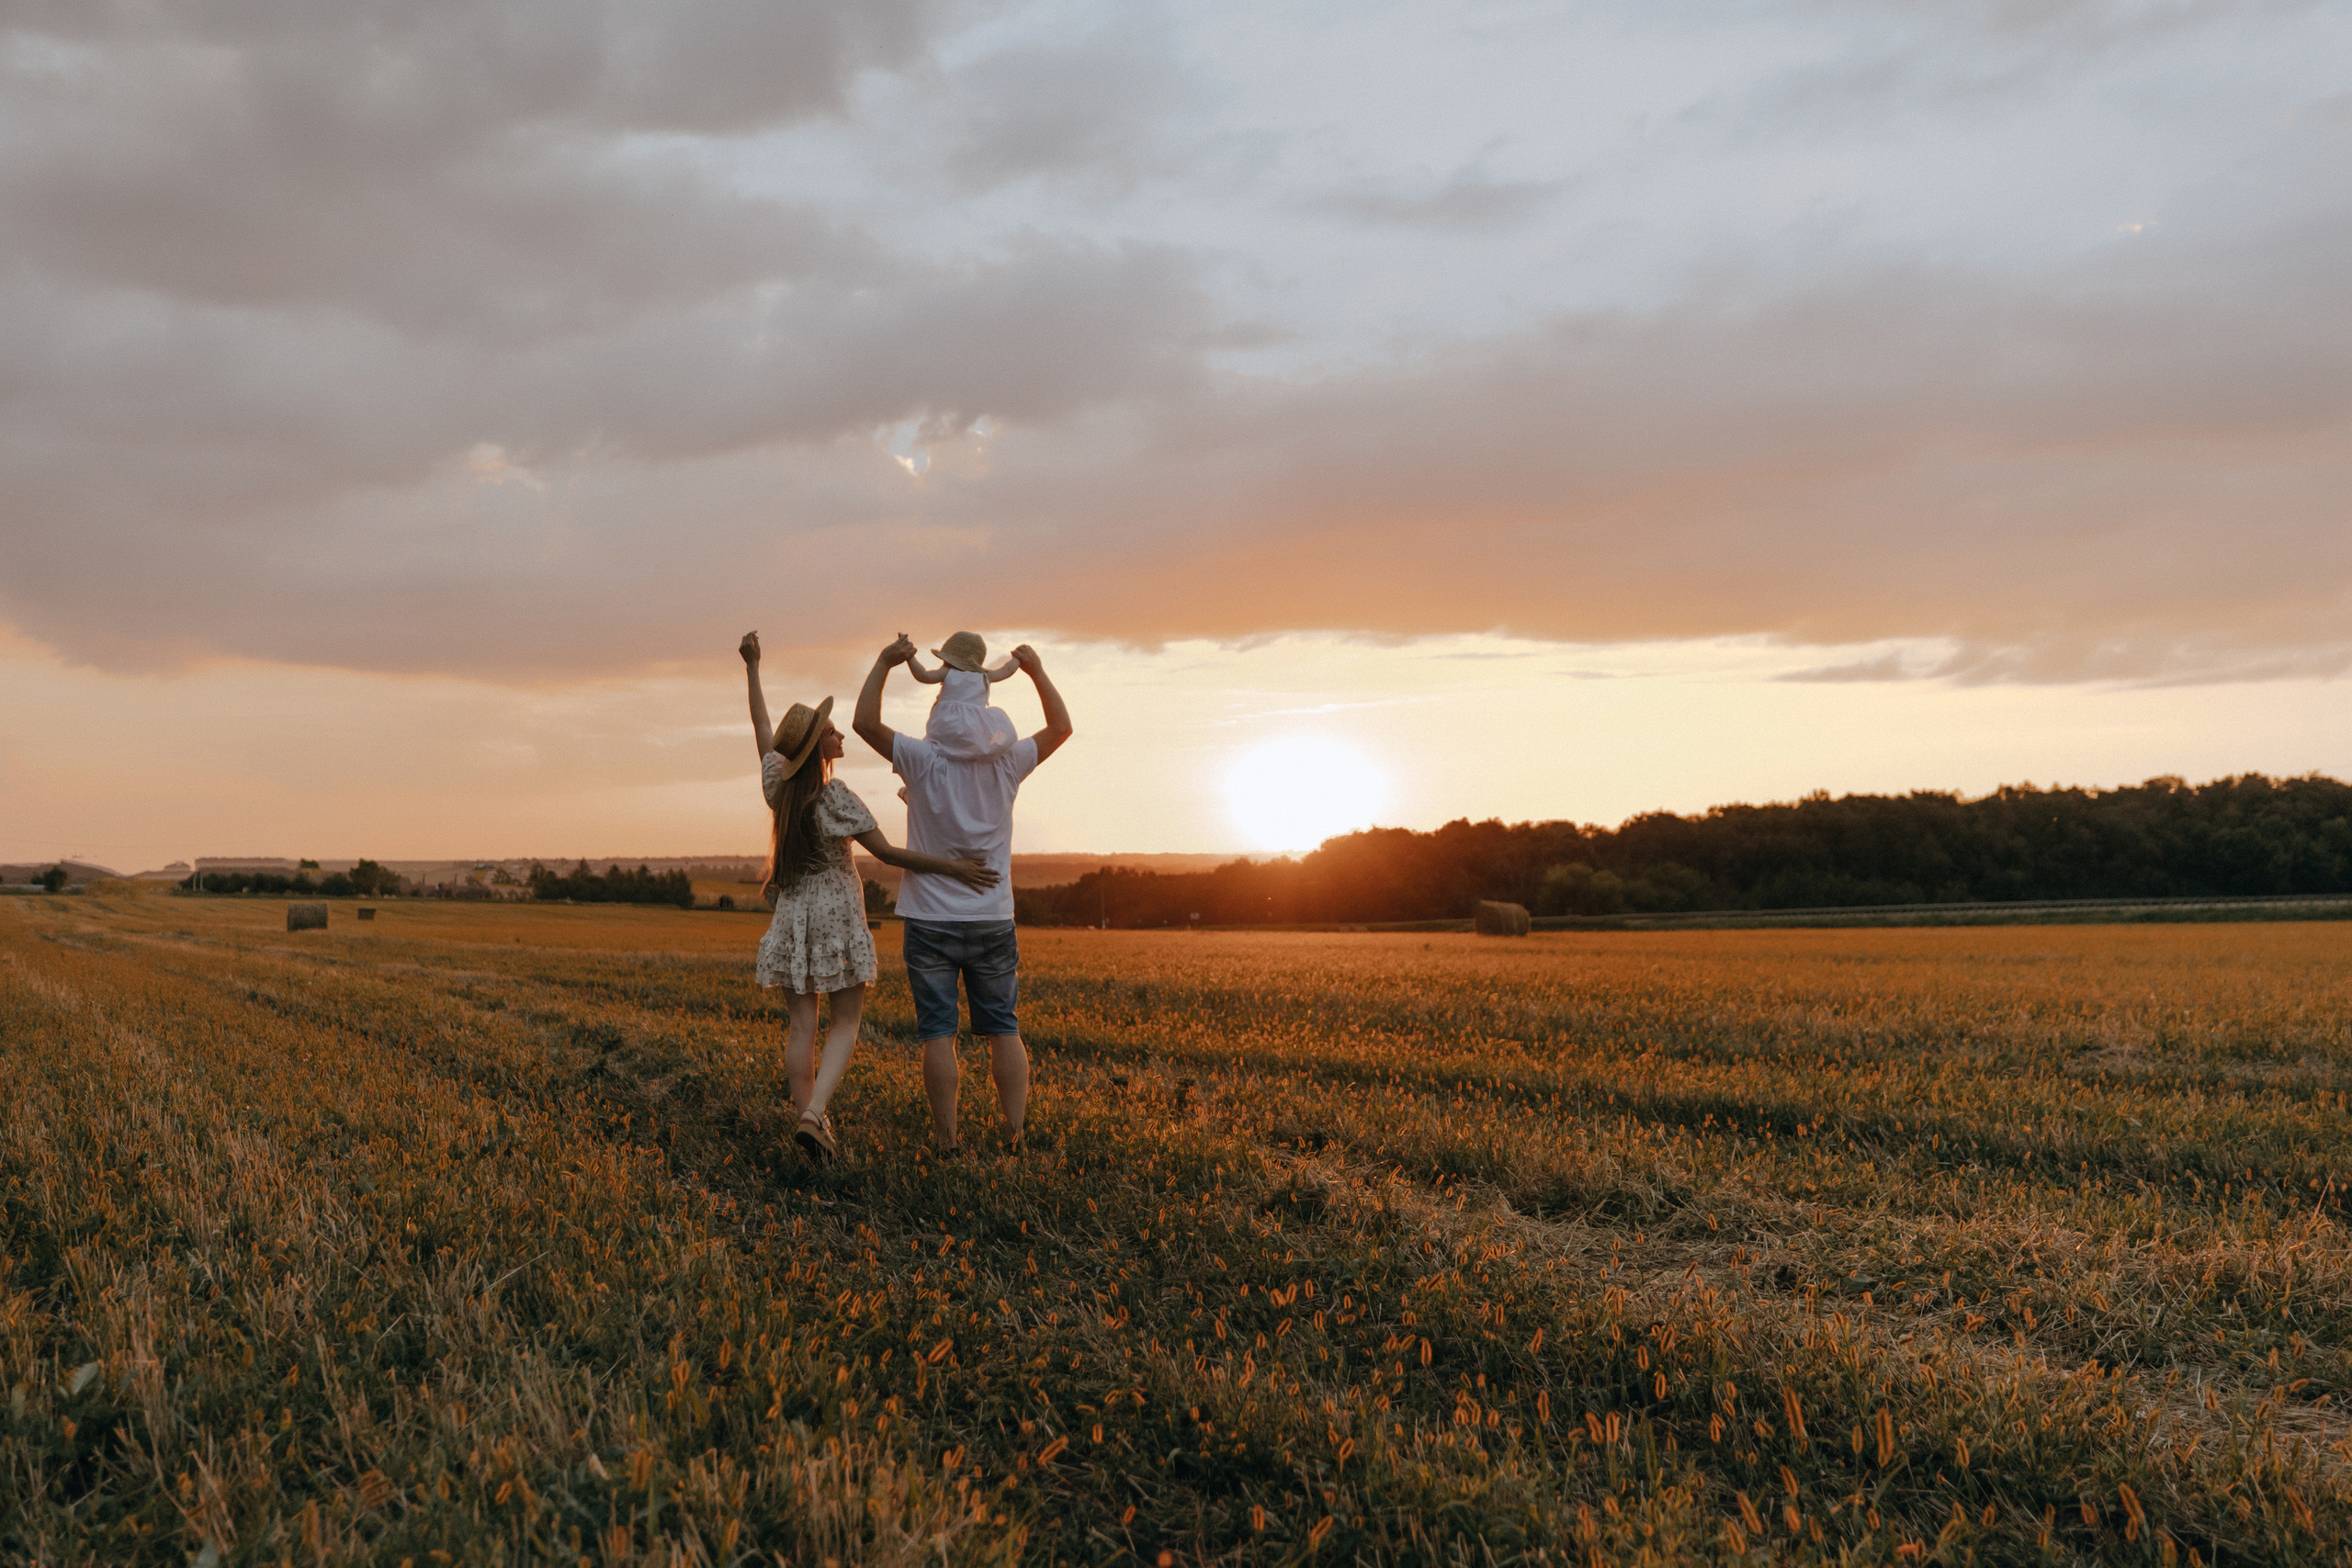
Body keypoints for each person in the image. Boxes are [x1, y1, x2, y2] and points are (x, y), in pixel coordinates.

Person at [740, 631, 998, 1163]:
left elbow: (763, 729)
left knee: (801, 1026)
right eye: (833, 733)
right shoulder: (834, 797)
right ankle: (814, 1117)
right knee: (847, 1022)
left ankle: (812, 1123)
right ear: (818, 749)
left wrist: (753, 668)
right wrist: (954, 867)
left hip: (792, 915)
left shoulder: (779, 788)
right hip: (835, 914)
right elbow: (890, 855)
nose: (841, 738)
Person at [854, 632, 1072, 1153]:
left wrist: (885, 662)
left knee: (937, 1033)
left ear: (942, 697)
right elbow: (1062, 726)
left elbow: (863, 722)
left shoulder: (921, 759)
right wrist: (1037, 671)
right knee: (1003, 1028)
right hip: (993, 917)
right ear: (985, 699)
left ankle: (947, 1140)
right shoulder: (1008, 761)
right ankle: (1014, 1136)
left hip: (929, 919)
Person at [904, 630, 1021, 761]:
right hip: (973, 729)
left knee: (935, 745)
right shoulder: (984, 676)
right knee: (995, 727)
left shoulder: (947, 672)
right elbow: (1006, 670)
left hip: (946, 725)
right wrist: (1017, 658)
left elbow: (923, 675)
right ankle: (977, 755)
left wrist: (910, 657)